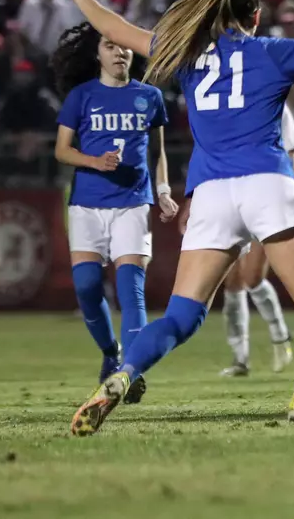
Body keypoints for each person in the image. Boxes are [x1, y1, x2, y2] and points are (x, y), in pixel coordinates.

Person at [50, 0, 294, 435]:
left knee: (182, 316)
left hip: (210, 194)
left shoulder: (186, 55)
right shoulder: (277, 50)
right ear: (255, 15)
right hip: (267, 183)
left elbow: (119, 27)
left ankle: (124, 374)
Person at [52, 21, 178, 405]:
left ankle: (132, 371)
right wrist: (95, 161)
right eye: (111, 45)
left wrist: (164, 192)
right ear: (98, 54)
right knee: (88, 288)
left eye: (123, 46)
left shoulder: (150, 96)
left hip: (132, 204)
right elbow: (62, 151)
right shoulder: (81, 96)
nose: (119, 51)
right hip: (87, 205)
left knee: (131, 290)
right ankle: (112, 353)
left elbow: (158, 152)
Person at [217, 105, 294, 377]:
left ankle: (280, 336)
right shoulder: (223, 104)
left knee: (252, 276)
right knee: (231, 281)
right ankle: (240, 358)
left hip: (265, 197)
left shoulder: (276, 105)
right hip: (227, 196)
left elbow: (291, 155)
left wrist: (285, 195)